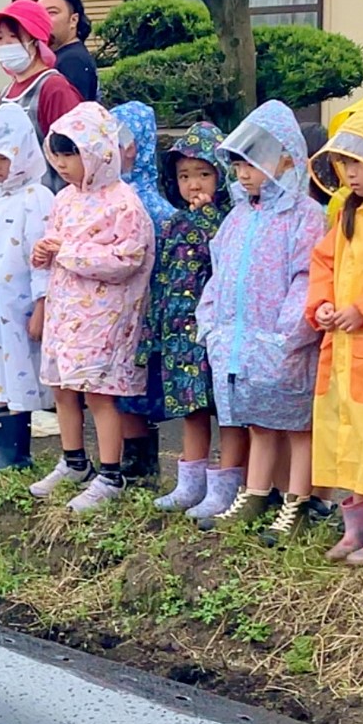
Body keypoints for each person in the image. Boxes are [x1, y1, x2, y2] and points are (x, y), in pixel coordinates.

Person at [193, 101, 324, 533]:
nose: (243, 174)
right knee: (258, 425)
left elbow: (307, 278)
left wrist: (288, 336)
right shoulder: (238, 217)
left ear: (286, 157)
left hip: (283, 346)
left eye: (251, 163)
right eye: (237, 166)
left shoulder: (304, 217)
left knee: (296, 426)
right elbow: (219, 274)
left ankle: (298, 501)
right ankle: (253, 494)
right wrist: (210, 324)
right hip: (239, 345)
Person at [28, 102, 154, 512]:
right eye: (58, 155)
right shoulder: (65, 198)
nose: (64, 164)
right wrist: (45, 253)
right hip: (67, 311)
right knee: (63, 387)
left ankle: (111, 473)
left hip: (107, 316)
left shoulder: (125, 203)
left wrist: (68, 251)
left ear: (98, 152)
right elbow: (55, 245)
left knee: (100, 393)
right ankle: (73, 460)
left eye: (72, 154)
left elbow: (127, 260)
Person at [147, 123, 240, 516]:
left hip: (214, 332)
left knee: (230, 410)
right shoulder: (172, 223)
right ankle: (191, 483)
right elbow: (161, 277)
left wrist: (206, 219)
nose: (193, 184)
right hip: (179, 334)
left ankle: (228, 484)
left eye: (203, 173)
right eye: (184, 176)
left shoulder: (229, 220)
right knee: (192, 408)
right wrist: (152, 331)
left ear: (222, 175)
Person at [0, 103, 55, 480]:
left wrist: (41, 304)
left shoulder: (37, 197)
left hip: (16, 305)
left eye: (3, 157)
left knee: (16, 373)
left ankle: (17, 451)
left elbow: (41, 258)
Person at [308, 109, 363, 561]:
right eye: (344, 163)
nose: (349, 171)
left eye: (359, 161)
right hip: (345, 350)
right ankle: (356, 526)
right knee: (350, 441)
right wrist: (324, 306)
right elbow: (323, 266)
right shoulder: (347, 217)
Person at [110, 101, 178, 482]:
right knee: (119, 385)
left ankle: (140, 461)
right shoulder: (112, 194)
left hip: (144, 312)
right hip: (114, 310)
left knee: (136, 386)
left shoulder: (151, 205)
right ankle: (129, 457)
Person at [0, 0, 84, 190]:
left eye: (13, 37)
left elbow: (76, 149)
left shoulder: (53, 88)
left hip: (49, 199)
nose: (5, 45)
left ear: (37, 41)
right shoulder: (4, 94)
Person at [37, 0, 99, 102]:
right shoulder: (60, 56)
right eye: (39, 14)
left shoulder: (73, 61)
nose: (43, 19)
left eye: (51, 13)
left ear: (73, 20)